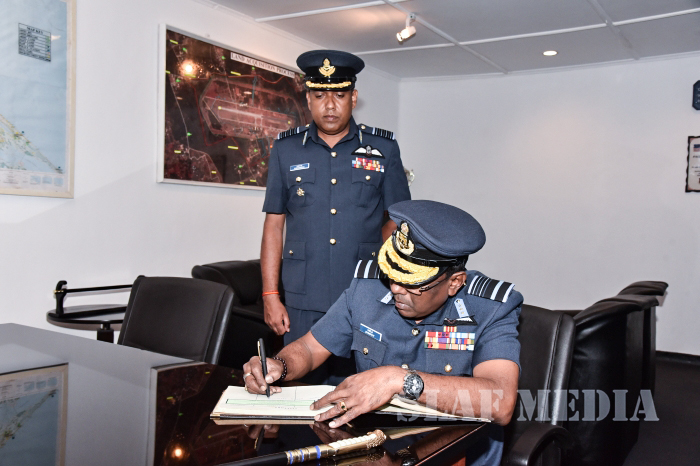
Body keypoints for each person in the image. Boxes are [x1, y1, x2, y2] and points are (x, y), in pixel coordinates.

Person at [245, 200, 522, 465]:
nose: (396, 288)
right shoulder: (366, 290)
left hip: (454, 453)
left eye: (411, 282)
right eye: (392, 274)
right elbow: (309, 348)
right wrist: (279, 365)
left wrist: (400, 380)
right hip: (373, 449)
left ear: (454, 283)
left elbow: (501, 402)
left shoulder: (491, 308)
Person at [261, 50, 411, 380]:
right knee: (297, 386)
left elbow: (399, 220)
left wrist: (391, 269)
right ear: (308, 100)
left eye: (339, 96)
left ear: (353, 98)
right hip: (303, 298)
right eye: (319, 96)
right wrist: (270, 296)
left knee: (359, 387)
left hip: (365, 293)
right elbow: (273, 225)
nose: (329, 106)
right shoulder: (286, 149)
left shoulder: (383, 149)